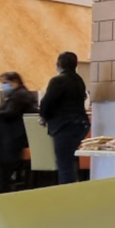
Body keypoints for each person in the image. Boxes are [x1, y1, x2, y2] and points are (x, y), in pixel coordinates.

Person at [39, 51, 90, 185]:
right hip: (81, 124)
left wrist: (43, 117)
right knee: (71, 159)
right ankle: (74, 186)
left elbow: (46, 102)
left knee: (64, 163)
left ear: (59, 64)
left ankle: (67, 190)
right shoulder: (79, 80)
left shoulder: (57, 81)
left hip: (64, 125)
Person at [0, 72, 38, 193]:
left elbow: (10, 113)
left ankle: (3, 189)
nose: (2, 86)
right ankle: (2, 188)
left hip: (13, 136)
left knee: (5, 163)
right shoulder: (16, 95)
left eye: (5, 83)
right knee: (2, 162)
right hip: (9, 135)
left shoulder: (20, 95)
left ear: (14, 81)